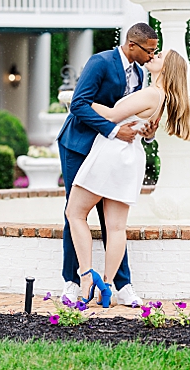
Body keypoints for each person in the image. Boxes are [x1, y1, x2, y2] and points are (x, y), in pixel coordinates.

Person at [65, 48, 190, 306]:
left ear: (166, 69)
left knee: (75, 213)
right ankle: (108, 285)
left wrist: (81, 101)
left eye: (160, 57)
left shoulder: (150, 93)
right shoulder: (162, 97)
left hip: (111, 155)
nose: (154, 57)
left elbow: (112, 115)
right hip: (130, 158)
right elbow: (140, 124)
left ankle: (86, 276)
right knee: (116, 227)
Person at [55, 22, 160, 307]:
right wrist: (114, 131)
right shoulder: (100, 62)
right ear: (131, 45)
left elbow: (128, 115)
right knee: (75, 212)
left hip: (111, 153)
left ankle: (121, 285)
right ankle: (73, 282)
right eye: (149, 50)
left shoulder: (140, 74)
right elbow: (78, 104)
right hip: (78, 146)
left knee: (113, 219)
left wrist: (144, 131)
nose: (152, 56)